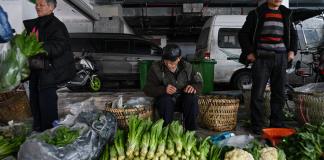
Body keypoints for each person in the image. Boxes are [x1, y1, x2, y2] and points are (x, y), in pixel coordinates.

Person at [239, 0, 323, 135]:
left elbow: (293, 35)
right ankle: (257, 126)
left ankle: (277, 123)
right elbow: (243, 34)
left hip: (281, 58)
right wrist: (249, 52)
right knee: (257, 93)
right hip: (261, 58)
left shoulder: (286, 13)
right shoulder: (256, 13)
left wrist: (292, 52)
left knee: (278, 93)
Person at [23, 0, 75, 132]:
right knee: (35, 105)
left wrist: (38, 48)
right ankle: (38, 134)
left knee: (47, 108)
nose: (37, 7)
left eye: (41, 5)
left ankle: (49, 135)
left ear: (51, 8)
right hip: (35, 72)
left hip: (48, 74)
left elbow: (59, 47)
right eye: (36, 4)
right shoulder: (35, 25)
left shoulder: (57, 26)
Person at [143, 44, 203, 130]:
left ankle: (191, 132)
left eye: (172, 62)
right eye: (166, 61)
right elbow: (147, 89)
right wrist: (163, 90)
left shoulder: (188, 67)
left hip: (183, 101)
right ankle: (167, 132)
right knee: (165, 100)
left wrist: (194, 87)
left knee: (192, 99)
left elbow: (199, 83)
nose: (168, 64)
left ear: (179, 58)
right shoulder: (155, 68)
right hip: (165, 102)